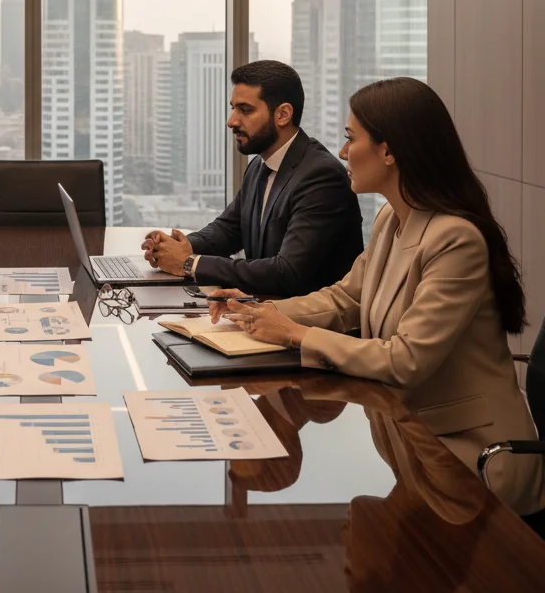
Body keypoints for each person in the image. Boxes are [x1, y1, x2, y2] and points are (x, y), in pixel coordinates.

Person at [211, 77, 545, 518]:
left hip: (468, 460)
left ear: (390, 151)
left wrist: (294, 335)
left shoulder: (455, 240)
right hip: (409, 440)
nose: (344, 152)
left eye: (352, 139)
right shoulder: (392, 218)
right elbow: (346, 299)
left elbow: (405, 359)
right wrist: (260, 312)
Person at [142, 60, 363, 296]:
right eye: (233, 108)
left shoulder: (321, 177)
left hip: (307, 326)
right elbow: (229, 229)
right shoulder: (260, 164)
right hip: (261, 313)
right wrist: (175, 247)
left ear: (283, 114)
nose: (232, 121)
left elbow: (286, 272)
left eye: (245, 110)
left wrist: (190, 263)